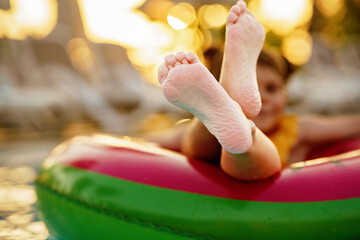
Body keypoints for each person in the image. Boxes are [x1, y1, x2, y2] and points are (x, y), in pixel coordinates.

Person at [153, 1, 360, 181]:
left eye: (271, 88)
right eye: (256, 87)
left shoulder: (299, 128)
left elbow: (350, 126)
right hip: (221, 144)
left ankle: (235, 119)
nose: (263, 98)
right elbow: (150, 143)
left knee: (240, 144)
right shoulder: (301, 128)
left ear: (286, 91)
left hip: (256, 174)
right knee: (203, 137)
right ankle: (221, 109)